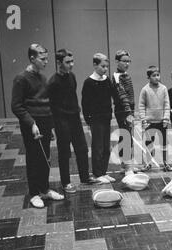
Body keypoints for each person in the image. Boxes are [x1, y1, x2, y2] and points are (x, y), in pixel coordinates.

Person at [11, 44, 64, 209]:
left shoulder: (42, 77)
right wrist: (31, 123)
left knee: (45, 157)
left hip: (45, 124)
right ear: (32, 58)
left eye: (47, 58)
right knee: (34, 159)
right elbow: (16, 106)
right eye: (43, 59)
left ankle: (45, 189)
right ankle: (34, 194)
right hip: (31, 126)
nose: (46, 62)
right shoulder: (21, 78)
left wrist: (51, 126)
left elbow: (47, 104)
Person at [47, 49, 96, 194]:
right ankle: (66, 182)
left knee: (82, 149)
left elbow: (73, 97)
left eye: (72, 61)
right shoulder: (53, 82)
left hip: (75, 118)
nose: (71, 65)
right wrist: (52, 127)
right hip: (61, 121)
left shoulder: (72, 76)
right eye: (68, 62)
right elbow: (50, 106)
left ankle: (85, 177)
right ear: (58, 63)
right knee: (64, 152)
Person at [82, 53, 116, 184]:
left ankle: (103, 172)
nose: (105, 69)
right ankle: (97, 173)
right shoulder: (89, 82)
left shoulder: (106, 80)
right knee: (98, 147)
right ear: (95, 65)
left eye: (107, 66)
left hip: (106, 118)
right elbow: (85, 103)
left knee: (106, 147)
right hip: (96, 120)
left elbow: (112, 95)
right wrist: (88, 120)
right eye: (102, 66)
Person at [138, 66, 171, 171]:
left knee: (164, 144)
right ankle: (148, 163)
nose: (157, 77)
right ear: (148, 77)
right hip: (149, 122)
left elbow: (167, 104)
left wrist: (166, 118)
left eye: (158, 75)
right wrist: (143, 119)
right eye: (154, 75)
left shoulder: (164, 88)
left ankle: (165, 163)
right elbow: (141, 105)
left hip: (162, 121)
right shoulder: (145, 90)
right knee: (149, 144)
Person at [111, 50, 135, 174]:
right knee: (125, 136)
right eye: (124, 61)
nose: (127, 64)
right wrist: (128, 111)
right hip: (123, 111)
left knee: (126, 136)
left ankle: (124, 164)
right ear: (117, 62)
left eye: (128, 61)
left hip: (129, 110)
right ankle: (126, 166)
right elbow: (122, 95)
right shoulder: (116, 76)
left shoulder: (126, 74)